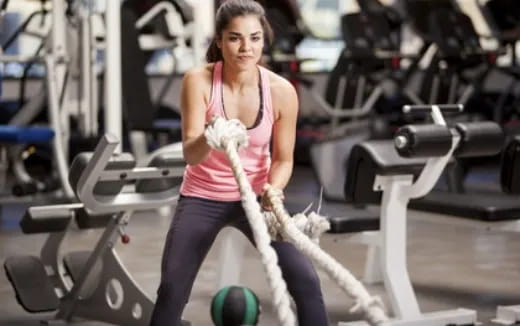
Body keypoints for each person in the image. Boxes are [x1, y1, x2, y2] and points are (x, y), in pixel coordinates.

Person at [150, 0, 329, 325]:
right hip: (202, 197)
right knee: (172, 290)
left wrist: (274, 189)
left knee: (306, 283)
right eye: (235, 38)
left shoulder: (282, 91)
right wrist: (212, 135)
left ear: (264, 39)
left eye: (255, 38)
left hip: (258, 199)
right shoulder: (198, 81)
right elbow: (191, 153)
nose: (246, 47)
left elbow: (284, 159)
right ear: (219, 40)